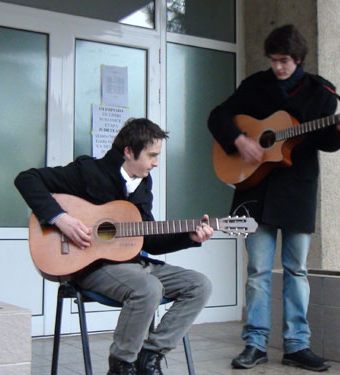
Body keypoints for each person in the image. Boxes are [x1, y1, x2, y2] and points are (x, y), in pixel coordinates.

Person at [208, 24, 340, 372]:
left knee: (297, 270)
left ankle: (296, 345)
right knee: (258, 270)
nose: (278, 67)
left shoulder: (321, 93)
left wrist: (339, 130)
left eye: (285, 61)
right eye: (274, 60)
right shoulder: (255, 86)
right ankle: (255, 344)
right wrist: (239, 140)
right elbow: (218, 115)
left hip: (298, 191)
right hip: (255, 190)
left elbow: (327, 143)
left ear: (299, 58)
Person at [15, 118, 213, 375]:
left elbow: (148, 239)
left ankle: (150, 356)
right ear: (129, 152)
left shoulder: (143, 183)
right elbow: (26, 179)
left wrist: (190, 238)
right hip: (91, 266)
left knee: (199, 284)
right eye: (152, 155)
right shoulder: (87, 171)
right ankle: (122, 364)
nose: (156, 163)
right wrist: (61, 219)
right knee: (148, 288)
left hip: (133, 265)